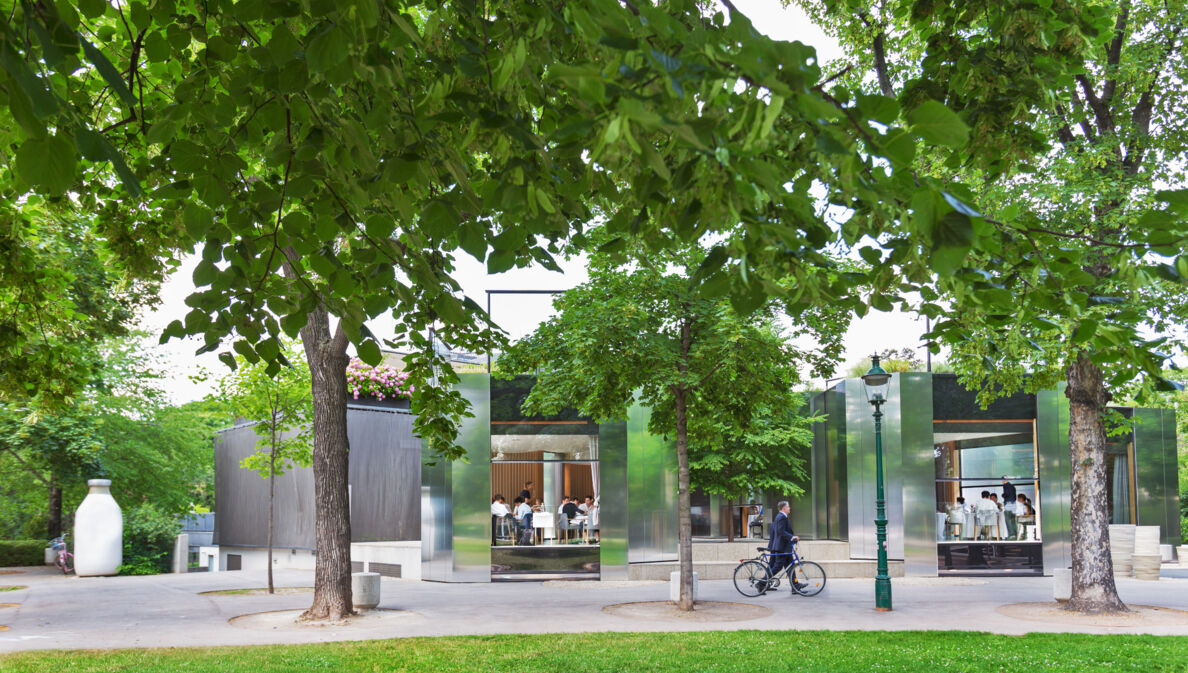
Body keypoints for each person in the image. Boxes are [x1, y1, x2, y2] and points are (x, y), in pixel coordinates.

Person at [766, 500, 798, 591]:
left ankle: (795, 586)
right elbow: (780, 532)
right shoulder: (781, 517)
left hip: (784, 548)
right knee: (777, 567)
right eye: (788, 507)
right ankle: (762, 583)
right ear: (784, 508)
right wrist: (792, 537)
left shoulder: (782, 517)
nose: (789, 508)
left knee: (790, 567)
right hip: (781, 547)